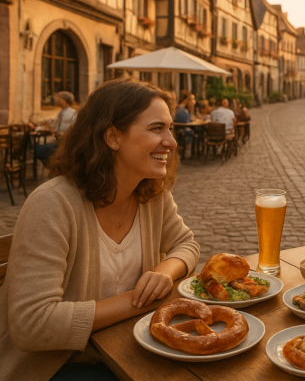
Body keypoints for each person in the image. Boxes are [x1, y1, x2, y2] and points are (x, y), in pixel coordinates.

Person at [0, 78, 200, 381]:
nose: (171, 141)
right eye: (157, 128)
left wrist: (166, 271)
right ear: (112, 137)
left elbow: (186, 244)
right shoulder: (52, 204)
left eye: (170, 128)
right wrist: (139, 300)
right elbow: (33, 324)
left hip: (126, 349)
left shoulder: (151, 193)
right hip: (56, 367)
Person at [29, 91, 77, 162]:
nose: (57, 100)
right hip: (59, 141)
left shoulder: (71, 113)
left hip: (63, 144)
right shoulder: (62, 112)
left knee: (38, 150)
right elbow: (55, 127)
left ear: (64, 100)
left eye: (59, 98)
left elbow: (63, 130)